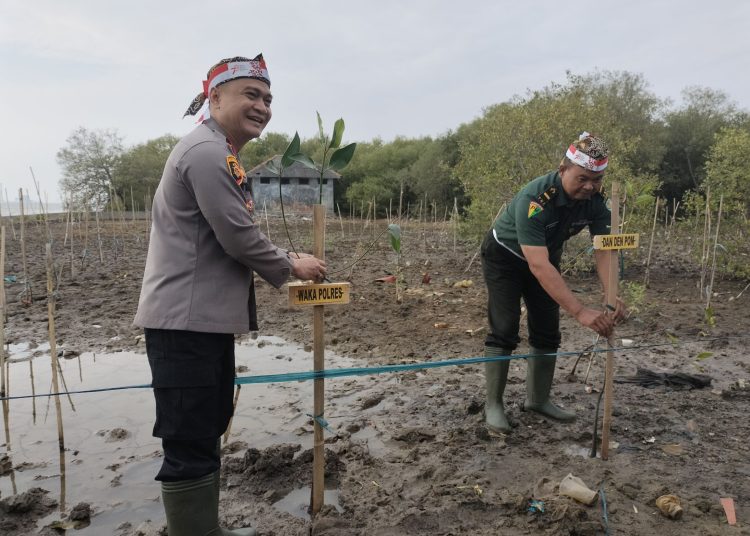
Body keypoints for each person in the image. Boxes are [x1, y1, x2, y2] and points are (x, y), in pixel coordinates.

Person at [134, 54, 326, 536]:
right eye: (251, 95)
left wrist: (282, 253)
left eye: (267, 99)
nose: (262, 106)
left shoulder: (219, 152)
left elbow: (233, 231)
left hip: (200, 322)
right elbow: (237, 236)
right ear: (215, 97)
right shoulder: (206, 154)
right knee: (189, 439)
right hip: (184, 323)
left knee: (204, 427)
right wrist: (290, 265)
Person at [480, 132, 626, 434]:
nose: (589, 186)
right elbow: (537, 265)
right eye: (583, 178)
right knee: (505, 327)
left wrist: (611, 294)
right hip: (505, 257)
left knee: (547, 328)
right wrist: (580, 311)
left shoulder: (596, 203)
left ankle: (537, 399)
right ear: (563, 170)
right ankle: (493, 404)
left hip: (546, 255)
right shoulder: (536, 198)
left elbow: (604, 249)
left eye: (596, 180)